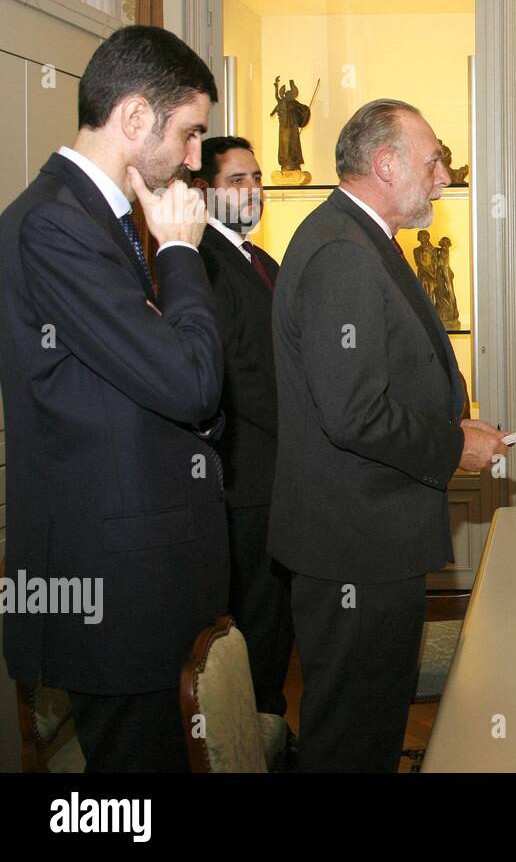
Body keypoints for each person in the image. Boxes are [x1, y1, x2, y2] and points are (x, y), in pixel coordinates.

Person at [0, 25, 225, 771]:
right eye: (190, 134)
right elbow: (190, 382)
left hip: (137, 581)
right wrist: (185, 253)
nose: (196, 159)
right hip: (112, 593)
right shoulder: (57, 222)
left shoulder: (96, 215)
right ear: (134, 118)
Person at [269, 99, 508, 772]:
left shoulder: (361, 237)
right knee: (352, 729)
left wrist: (452, 421)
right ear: (385, 163)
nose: (442, 176)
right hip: (354, 545)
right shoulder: (343, 253)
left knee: (373, 716)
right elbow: (352, 412)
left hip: (367, 536)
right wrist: (451, 445)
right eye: (432, 161)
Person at [192, 136, 294, 724]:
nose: (252, 189)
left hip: (276, 477)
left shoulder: (261, 260)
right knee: (253, 622)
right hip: (246, 480)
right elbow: (235, 375)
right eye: (237, 179)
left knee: (276, 620)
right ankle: (250, 742)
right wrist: (307, 429)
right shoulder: (201, 259)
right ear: (203, 190)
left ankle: (271, 729)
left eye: (256, 177)